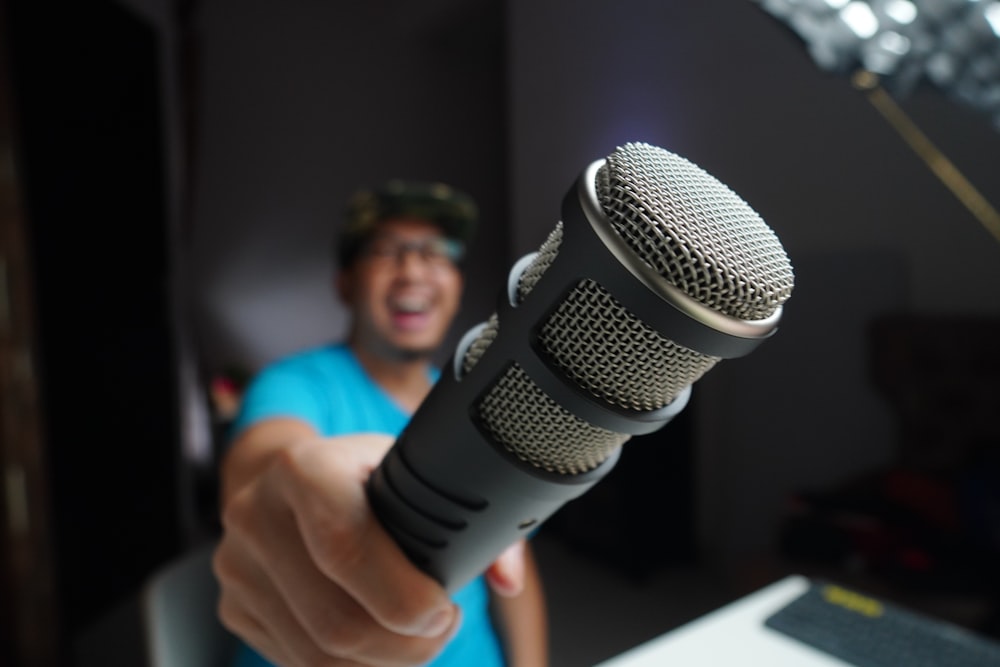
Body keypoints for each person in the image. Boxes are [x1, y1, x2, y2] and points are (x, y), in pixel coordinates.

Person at [212, 180, 549, 667]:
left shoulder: (483, 405)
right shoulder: (295, 384)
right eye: (385, 251)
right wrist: (277, 490)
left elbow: (514, 571)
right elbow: (261, 465)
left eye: (436, 252)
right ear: (345, 283)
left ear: (456, 283)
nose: (412, 271)